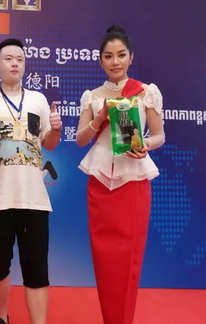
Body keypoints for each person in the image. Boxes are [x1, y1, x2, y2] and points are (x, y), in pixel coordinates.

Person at [0, 38, 62, 324]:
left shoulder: (38, 100)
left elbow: (49, 143)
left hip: (34, 199)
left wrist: (56, 129)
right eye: (8, 59)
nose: (14, 64)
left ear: (24, 64)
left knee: (37, 268)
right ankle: (1, 318)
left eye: (19, 59)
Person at [75, 24, 165, 324]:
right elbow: (81, 140)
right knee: (105, 259)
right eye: (109, 56)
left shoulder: (145, 92)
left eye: (121, 55)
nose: (115, 61)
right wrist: (99, 118)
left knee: (129, 258)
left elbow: (159, 135)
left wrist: (146, 145)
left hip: (134, 181)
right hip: (100, 183)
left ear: (131, 57)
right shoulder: (92, 96)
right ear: (100, 60)